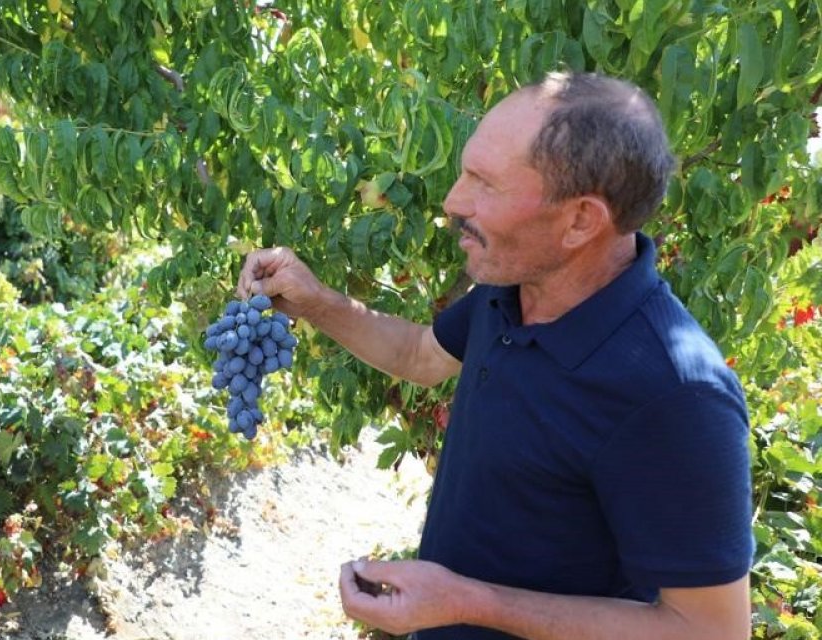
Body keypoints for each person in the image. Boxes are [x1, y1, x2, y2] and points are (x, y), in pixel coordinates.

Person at [238, 72, 752, 639]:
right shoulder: (513, 286)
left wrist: (468, 602)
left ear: (580, 220)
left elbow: (710, 631)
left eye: (484, 183)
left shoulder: (675, 396)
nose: (454, 202)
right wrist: (316, 303)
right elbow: (419, 355)